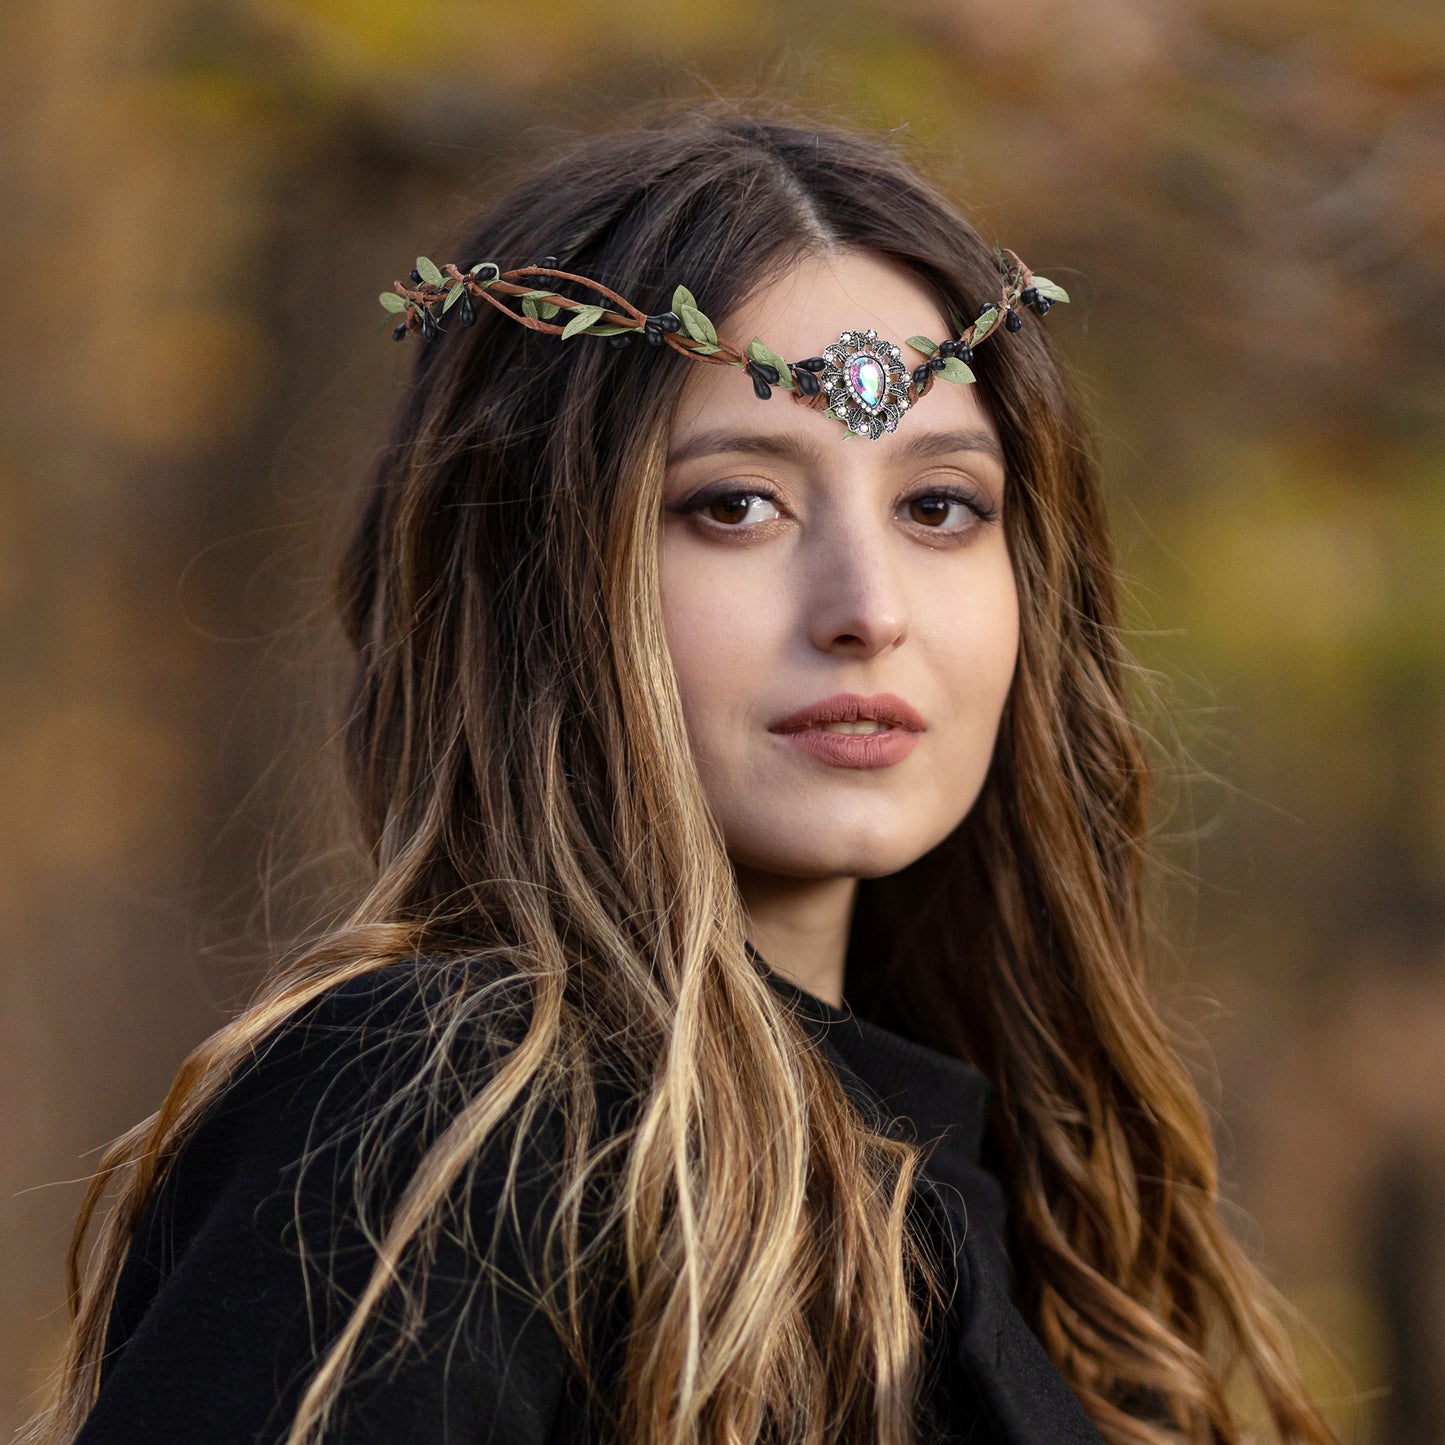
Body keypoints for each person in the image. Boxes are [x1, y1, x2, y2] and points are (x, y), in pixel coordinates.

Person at [23, 104, 1340, 1445]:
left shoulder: (1009, 1197)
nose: (865, 607)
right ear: (538, 578)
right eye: (735, 504)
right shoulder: (443, 1118)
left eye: (939, 504)